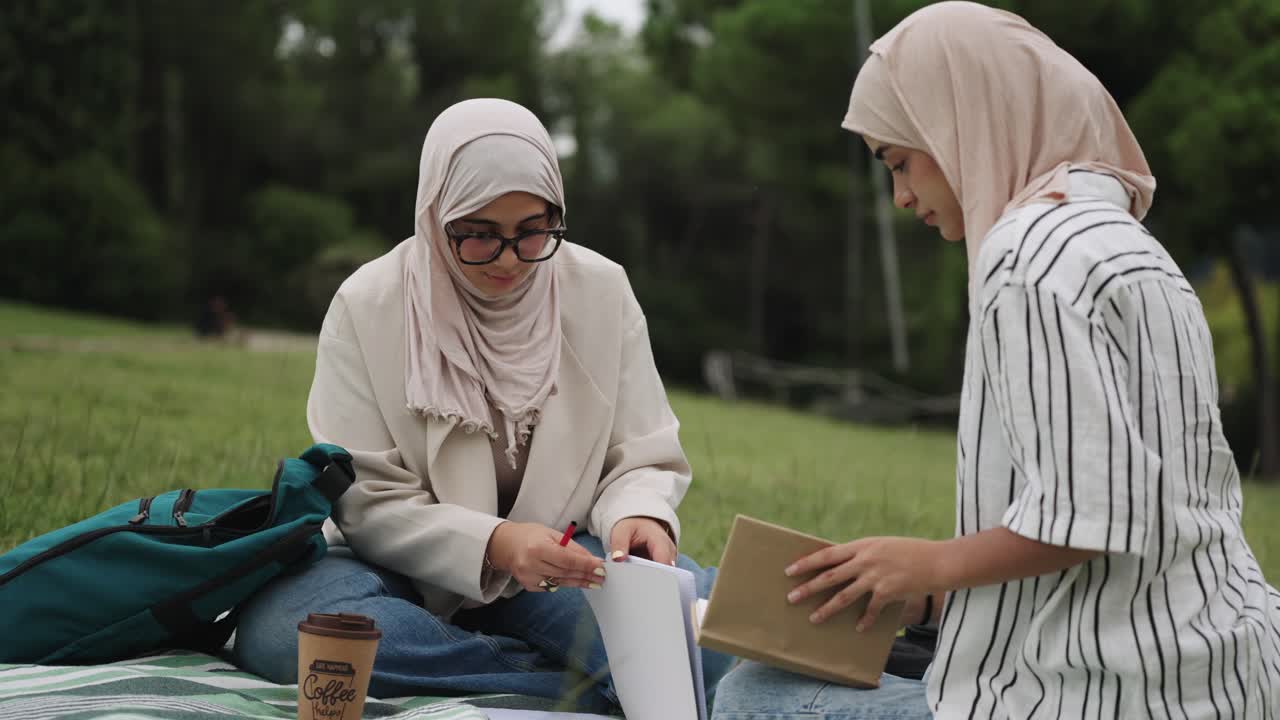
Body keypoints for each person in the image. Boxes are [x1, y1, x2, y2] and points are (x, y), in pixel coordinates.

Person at [711, 3, 1280, 718]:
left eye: (901, 161)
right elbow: (1149, 514)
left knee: (750, 695)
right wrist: (928, 593)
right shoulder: (1140, 252)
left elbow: (1092, 514)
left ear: (962, 121)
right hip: (1224, 675)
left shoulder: (1025, 259)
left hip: (1097, 693)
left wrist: (928, 561)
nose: (901, 197)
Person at [232, 98, 733, 712]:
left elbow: (640, 452)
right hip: (401, 570)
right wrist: (495, 545)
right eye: (479, 236)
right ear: (435, 214)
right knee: (294, 637)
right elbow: (366, 498)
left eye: (532, 231)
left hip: (563, 559)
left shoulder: (600, 291)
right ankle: (566, 684)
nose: (507, 260)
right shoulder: (368, 305)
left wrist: (642, 515)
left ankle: (551, 673)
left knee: (706, 638)